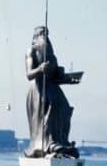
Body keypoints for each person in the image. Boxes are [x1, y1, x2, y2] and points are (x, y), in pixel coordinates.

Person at [24, 26, 75, 158]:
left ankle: (60, 140)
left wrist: (69, 79)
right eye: (41, 34)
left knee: (64, 109)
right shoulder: (31, 51)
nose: (44, 37)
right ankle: (45, 143)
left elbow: (55, 76)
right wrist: (40, 68)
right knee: (48, 113)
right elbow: (29, 74)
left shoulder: (51, 56)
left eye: (46, 34)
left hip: (51, 86)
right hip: (38, 88)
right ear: (35, 37)